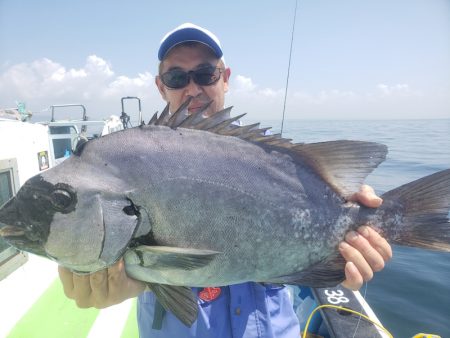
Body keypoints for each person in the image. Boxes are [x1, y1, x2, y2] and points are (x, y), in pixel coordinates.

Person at [59, 23, 393, 337]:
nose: (193, 88)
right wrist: (108, 278)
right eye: (177, 76)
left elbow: (311, 265)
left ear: (225, 78)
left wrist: (345, 255)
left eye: (205, 73)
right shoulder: (121, 165)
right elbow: (107, 242)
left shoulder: (282, 167)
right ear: (161, 87)